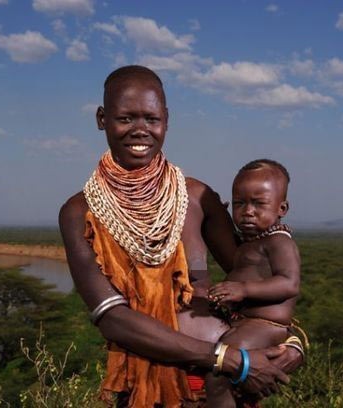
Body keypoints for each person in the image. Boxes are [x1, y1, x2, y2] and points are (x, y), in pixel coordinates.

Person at [58, 65, 303, 407]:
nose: (140, 130)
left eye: (151, 119)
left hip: (229, 385)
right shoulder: (79, 213)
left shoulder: (198, 197)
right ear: (102, 119)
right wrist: (225, 358)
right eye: (126, 119)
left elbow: (254, 277)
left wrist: (290, 342)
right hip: (155, 389)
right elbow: (112, 319)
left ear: (167, 120)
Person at [203, 159, 302, 407]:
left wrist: (243, 289)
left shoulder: (279, 241)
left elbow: (289, 283)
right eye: (239, 203)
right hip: (249, 324)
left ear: (282, 208)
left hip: (266, 326)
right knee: (236, 382)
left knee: (220, 371)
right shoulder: (253, 240)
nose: (247, 211)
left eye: (258, 204)